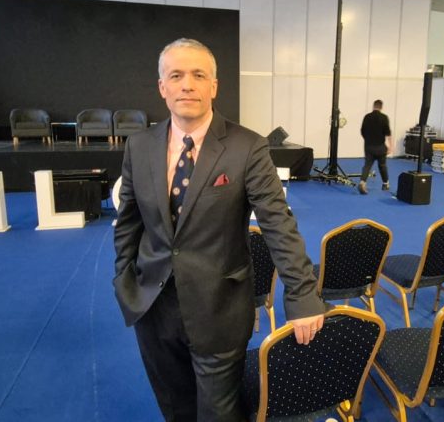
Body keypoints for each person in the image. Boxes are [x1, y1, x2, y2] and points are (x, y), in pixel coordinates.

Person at [113, 38, 326, 422]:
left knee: (219, 413)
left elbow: (278, 223)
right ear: (162, 87)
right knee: (175, 406)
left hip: (219, 308)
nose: (187, 85)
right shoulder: (139, 146)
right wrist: (124, 280)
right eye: (176, 76)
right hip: (153, 306)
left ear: (214, 86)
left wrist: (302, 294)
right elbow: (128, 222)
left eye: (198, 75)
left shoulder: (247, 147)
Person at [359, 99, 392, 195]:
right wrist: (390, 146)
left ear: (373, 106)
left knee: (367, 165)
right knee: (382, 165)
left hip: (369, 146)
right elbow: (388, 133)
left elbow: (362, 131)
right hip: (380, 147)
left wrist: (367, 139)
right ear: (381, 107)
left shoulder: (367, 117)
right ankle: (385, 184)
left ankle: (362, 182)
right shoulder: (384, 117)